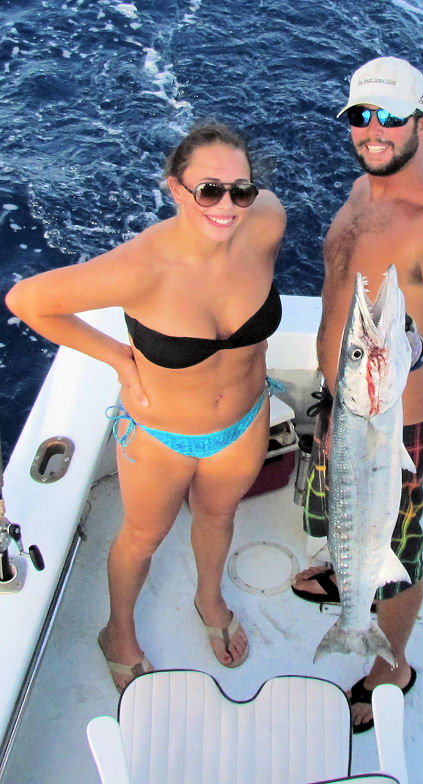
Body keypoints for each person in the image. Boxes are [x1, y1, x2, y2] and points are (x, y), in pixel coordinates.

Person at [6, 120, 286, 691]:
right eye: (209, 189)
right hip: (161, 437)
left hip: (245, 421)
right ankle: (120, 632)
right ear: (175, 189)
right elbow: (27, 300)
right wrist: (118, 359)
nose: (227, 205)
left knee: (219, 515)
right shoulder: (140, 268)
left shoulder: (267, 224)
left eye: (241, 189)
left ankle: (209, 601)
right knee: (142, 538)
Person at [291, 57, 423, 732]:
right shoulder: (362, 190)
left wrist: (412, 346)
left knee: (395, 557)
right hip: (345, 404)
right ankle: (346, 572)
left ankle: (390, 662)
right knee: (338, 521)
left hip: (393, 424)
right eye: (361, 117)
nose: (371, 131)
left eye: (389, 119)